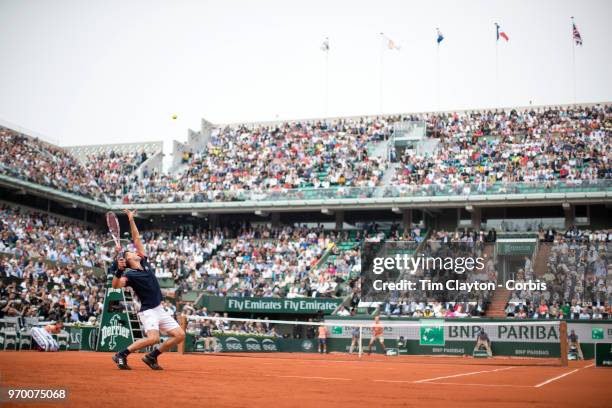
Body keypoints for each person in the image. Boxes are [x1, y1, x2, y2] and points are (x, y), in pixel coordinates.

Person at [110, 209, 186, 370]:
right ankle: (121, 354)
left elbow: (136, 237)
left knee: (180, 335)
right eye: (131, 252)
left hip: (159, 309)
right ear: (129, 259)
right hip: (148, 311)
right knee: (153, 338)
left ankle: (152, 357)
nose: (135, 251)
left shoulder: (143, 262)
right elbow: (115, 286)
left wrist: (131, 220)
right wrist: (118, 270)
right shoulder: (130, 274)